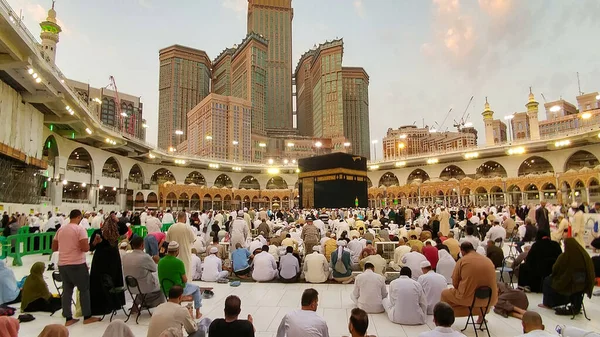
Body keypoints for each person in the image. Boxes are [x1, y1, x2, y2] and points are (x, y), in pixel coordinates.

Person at [51, 209, 101, 326]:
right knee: (84, 289)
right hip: (77, 264)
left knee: (67, 291)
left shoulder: (61, 229)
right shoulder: (79, 229)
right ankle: (87, 316)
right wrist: (94, 243)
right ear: (79, 217)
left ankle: (68, 318)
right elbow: (85, 248)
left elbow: (54, 248)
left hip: (63, 264)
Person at [441, 242, 498, 323]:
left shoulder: (462, 261)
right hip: (489, 299)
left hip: (468, 298)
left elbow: (455, 283)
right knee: (482, 303)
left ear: (462, 251)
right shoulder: (487, 260)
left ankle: (444, 320)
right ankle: (481, 318)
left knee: (444, 294)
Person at [541, 238, 595, 315]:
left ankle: (548, 304)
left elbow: (555, 269)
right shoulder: (584, 255)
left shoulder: (566, 256)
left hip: (569, 284)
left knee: (548, 280)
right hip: (583, 285)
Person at [88, 214, 126, 316]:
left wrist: (95, 243)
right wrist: (117, 220)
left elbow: (91, 248)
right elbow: (125, 228)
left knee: (101, 282)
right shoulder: (113, 232)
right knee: (112, 281)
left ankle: (103, 304)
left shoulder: (101, 232)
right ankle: (114, 303)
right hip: (112, 260)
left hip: (101, 260)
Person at [158, 241, 202, 319]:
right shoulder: (178, 262)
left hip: (165, 290)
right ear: (177, 251)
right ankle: (198, 313)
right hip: (177, 290)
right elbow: (185, 280)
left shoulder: (160, 262)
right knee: (196, 288)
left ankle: (181, 301)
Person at [122, 236, 166, 309]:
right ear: (142, 245)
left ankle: (136, 305)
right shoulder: (145, 257)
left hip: (130, 286)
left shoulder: (126, 256)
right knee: (161, 287)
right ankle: (150, 305)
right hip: (143, 287)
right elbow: (154, 268)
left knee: (141, 280)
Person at [166, 211, 196, 279]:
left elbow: (167, 240)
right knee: (186, 271)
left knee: (174, 272)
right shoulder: (187, 227)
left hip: (173, 254)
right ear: (185, 218)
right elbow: (193, 239)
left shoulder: (171, 227)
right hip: (185, 253)